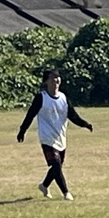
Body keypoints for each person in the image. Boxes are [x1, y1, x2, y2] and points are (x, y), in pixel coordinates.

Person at [15, 69, 92, 200]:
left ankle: (44, 185)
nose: (56, 80)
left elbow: (72, 116)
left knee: (58, 165)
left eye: (58, 78)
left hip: (60, 137)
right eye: (52, 78)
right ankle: (66, 193)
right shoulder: (41, 97)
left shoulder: (63, 98)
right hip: (47, 137)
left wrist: (85, 124)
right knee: (56, 164)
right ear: (46, 82)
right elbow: (30, 115)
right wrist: (22, 130)